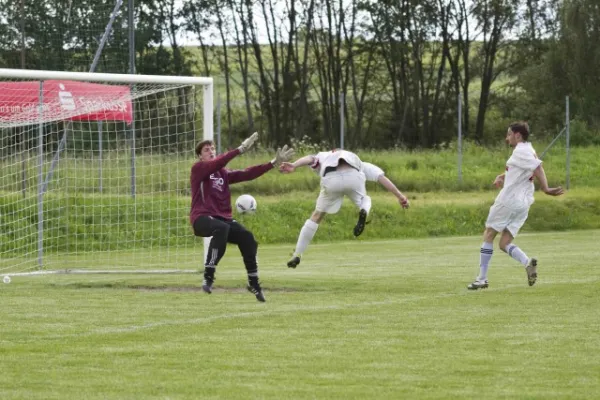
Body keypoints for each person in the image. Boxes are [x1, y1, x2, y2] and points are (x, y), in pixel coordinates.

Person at [190, 132, 295, 302]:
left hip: (222, 219)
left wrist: (273, 163)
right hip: (201, 218)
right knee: (221, 228)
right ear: (199, 156)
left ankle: (253, 283)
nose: (211, 151)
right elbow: (220, 161)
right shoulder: (198, 169)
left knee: (248, 238)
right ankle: (208, 277)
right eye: (206, 150)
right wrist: (239, 149)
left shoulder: (223, 173)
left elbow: (248, 173)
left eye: (213, 149)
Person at [467, 122, 564, 290]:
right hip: (523, 204)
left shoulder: (521, 150)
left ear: (517, 135)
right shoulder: (528, 149)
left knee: (489, 234)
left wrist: (546, 188)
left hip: (509, 200)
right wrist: (502, 176)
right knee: (504, 243)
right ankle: (527, 262)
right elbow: (523, 170)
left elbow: (538, 168)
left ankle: (481, 279)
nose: (507, 138)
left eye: (509, 134)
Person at [279, 149, 410, 268]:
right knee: (365, 199)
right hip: (353, 175)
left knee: (316, 216)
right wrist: (400, 197)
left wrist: (294, 165)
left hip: (330, 178)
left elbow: (309, 158)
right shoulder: (359, 161)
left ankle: (297, 254)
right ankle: (363, 209)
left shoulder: (324, 156)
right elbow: (381, 178)